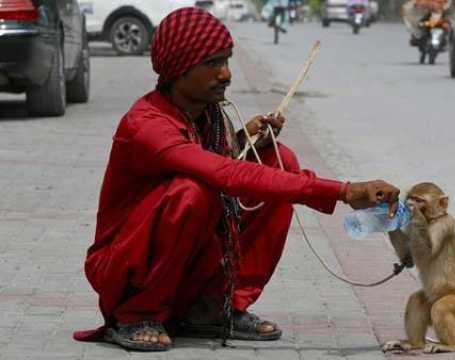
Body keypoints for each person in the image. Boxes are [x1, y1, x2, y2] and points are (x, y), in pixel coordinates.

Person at [73, 7, 400, 352]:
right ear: (179, 69)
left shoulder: (210, 118)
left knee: (280, 161)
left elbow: (221, 162)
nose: (226, 74)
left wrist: (244, 141)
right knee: (192, 192)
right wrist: (344, 191)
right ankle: (136, 313)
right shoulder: (146, 124)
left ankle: (213, 307)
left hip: (187, 260)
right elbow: (224, 174)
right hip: (125, 270)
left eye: (227, 60)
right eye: (212, 63)